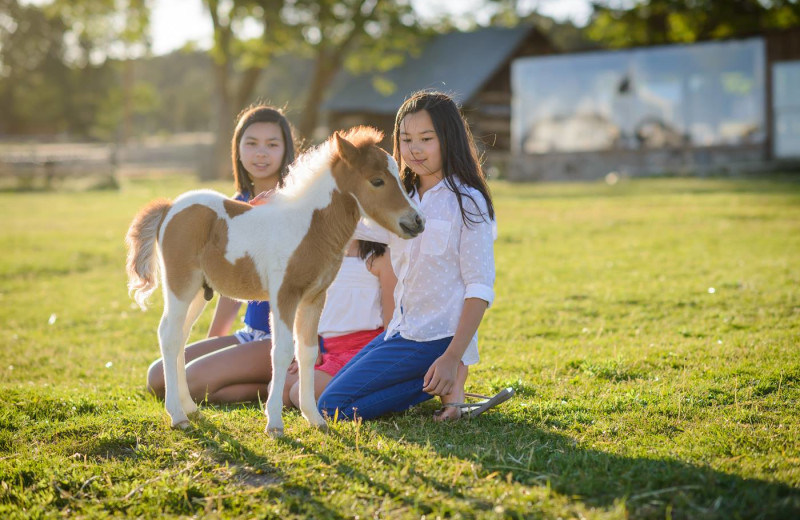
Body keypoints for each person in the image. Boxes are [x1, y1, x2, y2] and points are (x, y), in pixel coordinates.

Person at [317, 90, 497, 421]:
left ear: (449, 139)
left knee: (331, 406)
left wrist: (452, 354)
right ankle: (441, 385)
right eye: (406, 138)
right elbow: (354, 225)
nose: (414, 149)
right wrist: (285, 203)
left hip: (437, 336)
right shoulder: (403, 198)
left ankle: (447, 376)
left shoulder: (468, 202)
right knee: (330, 393)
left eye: (426, 138)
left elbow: (479, 288)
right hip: (400, 330)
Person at [146, 104, 294, 403]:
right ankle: (266, 388)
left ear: (286, 150)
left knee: (191, 381)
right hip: (250, 333)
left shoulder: (296, 205)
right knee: (158, 376)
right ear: (237, 149)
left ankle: (283, 388)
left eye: (272, 144)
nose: (261, 153)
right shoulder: (233, 205)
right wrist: (216, 340)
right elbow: (228, 278)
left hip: (282, 335)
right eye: (251, 143)